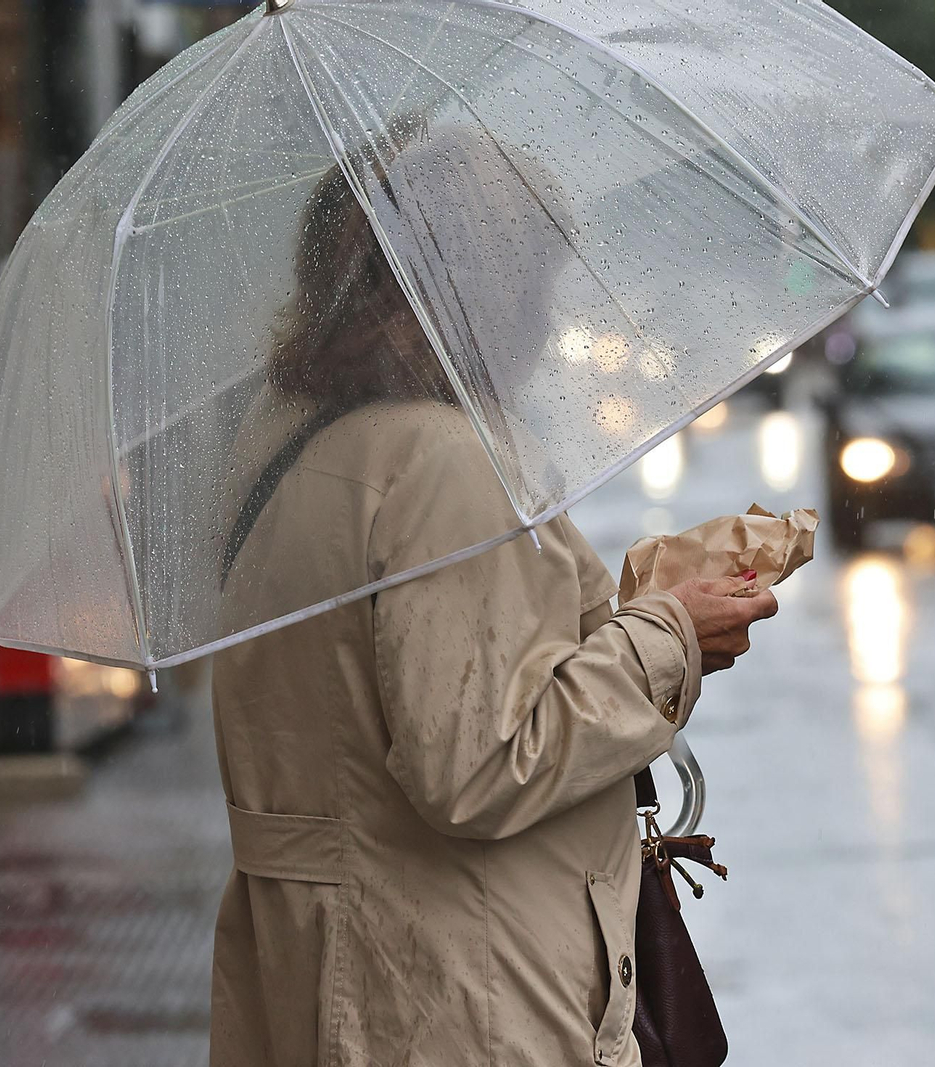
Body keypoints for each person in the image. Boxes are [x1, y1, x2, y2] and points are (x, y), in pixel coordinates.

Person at [208, 137, 777, 1066]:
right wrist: (669, 636)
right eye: (534, 288)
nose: (549, 326)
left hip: (329, 976)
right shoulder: (445, 463)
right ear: (478, 290)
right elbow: (476, 764)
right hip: (461, 996)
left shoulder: (284, 448)